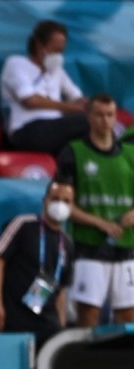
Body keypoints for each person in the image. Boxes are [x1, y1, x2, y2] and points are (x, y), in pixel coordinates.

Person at [56, 94, 134, 326]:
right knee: (89, 314)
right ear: (88, 116)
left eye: (110, 115)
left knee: (128, 316)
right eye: (99, 114)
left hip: (128, 247)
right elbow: (61, 204)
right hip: (89, 248)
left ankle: (125, 363)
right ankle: (85, 361)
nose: (105, 120)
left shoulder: (130, 154)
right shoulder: (73, 152)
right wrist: (100, 223)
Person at [0, 179, 75, 349]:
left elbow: (61, 290)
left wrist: (61, 324)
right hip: (14, 319)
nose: (60, 205)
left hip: (48, 325)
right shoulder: (23, 225)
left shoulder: (67, 244)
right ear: (45, 201)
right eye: (55, 199)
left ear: (73, 207)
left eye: (66, 201)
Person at [0, 20, 88, 156]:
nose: (58, 56)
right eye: (55, 51)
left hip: (56, 128)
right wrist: (71, 108)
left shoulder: (56, 70)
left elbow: (76, 96)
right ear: (39, 46)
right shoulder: (15, 63)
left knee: (97, 123)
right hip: (27, 130)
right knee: (86, 123)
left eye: (61, 51)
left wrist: (90, 107)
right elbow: (30, 100)